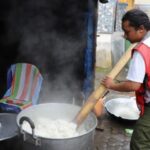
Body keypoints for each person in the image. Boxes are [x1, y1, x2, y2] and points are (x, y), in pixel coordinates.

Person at [101, 9, 150, 150]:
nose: (125, 36)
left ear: (141, 29)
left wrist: (112, 85)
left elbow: (133, 85)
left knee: (139, 143)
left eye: (127, 31)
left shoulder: (142, 50)